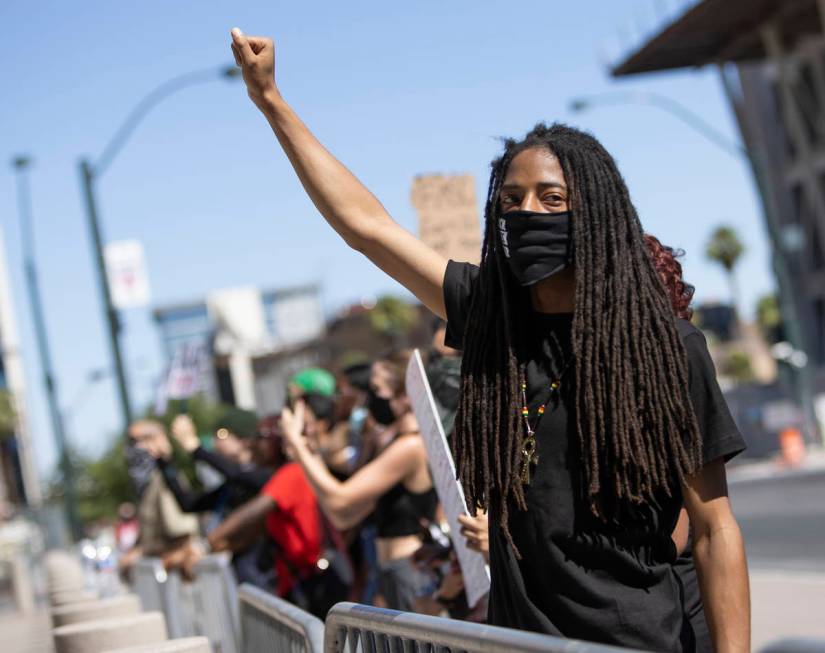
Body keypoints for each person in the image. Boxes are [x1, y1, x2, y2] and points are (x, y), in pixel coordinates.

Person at [229, 28, 749, 652]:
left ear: (596, 215)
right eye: (511, 199)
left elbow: (716, 529)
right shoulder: (490, 316)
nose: (526, 212)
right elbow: (367, 228)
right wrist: (273, 103)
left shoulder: (664, 349)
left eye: (551, 198)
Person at [280, 351, 438, 611]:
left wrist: (298, 445)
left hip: (410, 569)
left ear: (405, 395)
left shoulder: (411, 445)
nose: (367, 399)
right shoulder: (390, 442)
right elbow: (343, 514)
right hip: (388, 568)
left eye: (375, 389)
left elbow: (341, 499)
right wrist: (307, 451)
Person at [119, 419, 199, 575]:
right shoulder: (149, 483)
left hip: (178, 576)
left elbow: (182, 534)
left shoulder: (165, 480)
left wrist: (141, 553)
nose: (134, 448)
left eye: (138, 441)